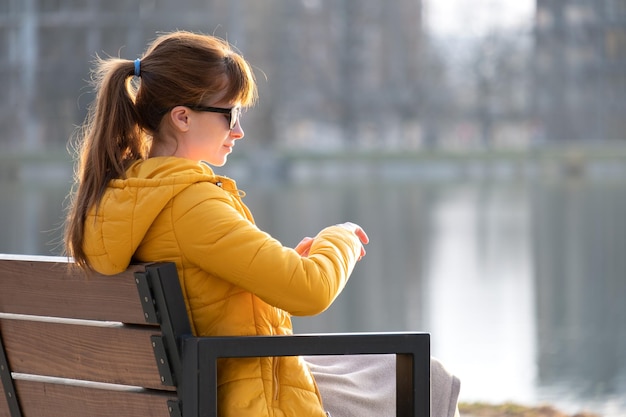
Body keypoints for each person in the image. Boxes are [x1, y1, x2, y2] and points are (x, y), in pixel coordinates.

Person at [64, 30, 460, 417]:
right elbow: (309, 291)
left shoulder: (126, 198)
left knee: (402, 372)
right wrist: (341, 240)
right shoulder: (189, 204)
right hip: (247, 397)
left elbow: (204, 288)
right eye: (229, 113)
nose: (238, 130)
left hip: (201, 388)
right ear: (182, 117)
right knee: (429, 376)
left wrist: (282, 266)